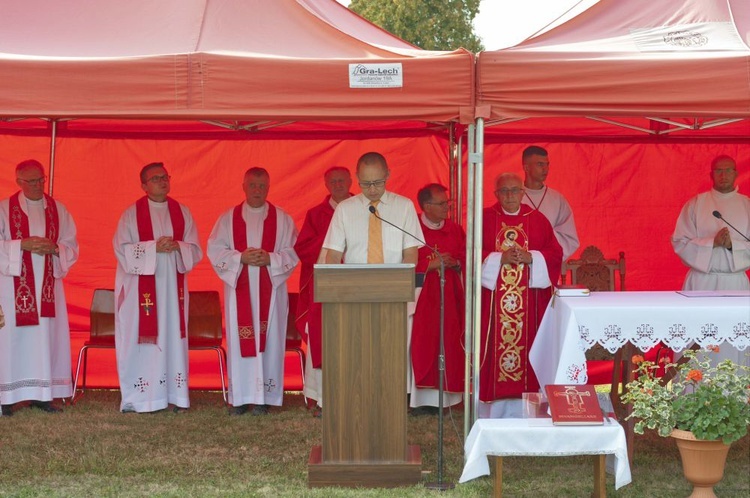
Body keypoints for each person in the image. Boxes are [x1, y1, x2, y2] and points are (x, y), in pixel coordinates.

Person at [208, 167, 298, 416]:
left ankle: (263, 398)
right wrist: (240, 258)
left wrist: (270, 259)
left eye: (262, 186)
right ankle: (240, 398)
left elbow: (293, 251)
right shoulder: (228, 219)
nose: (257, 190)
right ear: (244, 186)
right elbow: (215, 250)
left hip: (272, 294)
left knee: (269, 341)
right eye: (253, 185)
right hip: (240, 293)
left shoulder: (283, 220)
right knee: (241, 342)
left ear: (268, 188)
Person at [113, 162, 202, 414]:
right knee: (141, 340)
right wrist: (154, 247)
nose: (162, 181)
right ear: (143, 185)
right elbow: (121, 250)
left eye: (165, 177)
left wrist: (178, 246)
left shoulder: (182, 211)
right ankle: (140, 398)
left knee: (172, 337)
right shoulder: (131, 214)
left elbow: (195, 250)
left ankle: (175, 394)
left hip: (173, 293)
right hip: (140, 294)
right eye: (155, 178)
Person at [480, 173, 562, 418]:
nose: (509, 196)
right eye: (503, 191)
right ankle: (492, 410)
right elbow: (470, 252)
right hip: (495, 307)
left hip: (530, 304)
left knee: (529, 350)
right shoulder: (483, 219)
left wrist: (532, 257)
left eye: (514, 190)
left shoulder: (537, 220)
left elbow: (555, 253)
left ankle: (530, 410)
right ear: (495, 194)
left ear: (523, 192)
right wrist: (498, 258)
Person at [0, 159, 79, 416]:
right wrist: (21, 245)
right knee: (11, 339)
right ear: (19, 182)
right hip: (12, 289)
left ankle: (44, 395)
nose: (37, 185)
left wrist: (56, 249)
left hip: (47, 289)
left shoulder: (59, 209)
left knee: (46, 337)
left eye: (41, 180)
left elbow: (71, 244)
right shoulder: (4, 209)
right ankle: (8, 397)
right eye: (31, 181)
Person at [672, 155, 750, 366]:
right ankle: (692, 393)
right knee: (697, 338)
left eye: (728, 170)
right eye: (718, 170)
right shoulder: (696, 204)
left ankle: (735, 395)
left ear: (736, 173)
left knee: (733, 341)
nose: (723, 175)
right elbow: (679, 242)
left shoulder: (747, 205)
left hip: (736, 284)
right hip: (701, 282)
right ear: (711, 175)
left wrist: (732, 245)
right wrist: (711, 243)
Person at [293, 167, 353, 416]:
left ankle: (354, 396)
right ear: (326, 184)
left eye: (342, 180)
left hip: (355, 288)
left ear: (351, 181)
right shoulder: (316, 214)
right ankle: (321, 399)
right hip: (325, 291)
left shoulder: (365, 209)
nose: (338, 184)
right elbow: (303, 249)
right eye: (333, 181)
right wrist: (334, 241)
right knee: (324, 341)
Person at [409, 183, 465, 414]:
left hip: (451, 296)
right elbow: (403, 260)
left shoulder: (454, 229)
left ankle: (447, 400)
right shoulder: (411, 228)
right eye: (442, 204)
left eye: (447, 203)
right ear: (426, 206)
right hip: (421, 298)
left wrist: (457, 262)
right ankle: (420, 400)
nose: (446, 208)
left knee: (450, 342)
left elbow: (467, 254)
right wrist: (429, 264)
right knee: (422, 345)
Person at [323, 152, 422, 264]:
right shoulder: (344, 209)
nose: (372, 189)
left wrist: (401, 280)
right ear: (357, 177)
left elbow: (411, 253)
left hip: (393, 279)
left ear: (387, 174)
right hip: (354, 279)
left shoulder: (405, 206)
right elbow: (334, 255)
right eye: (365, 183)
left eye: (378, 182)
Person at [520, 146, 579, 261]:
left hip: (546, 267)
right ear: (526, 168)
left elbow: (570, 239)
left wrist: (544, 251)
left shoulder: (557, 200)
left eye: (547, 164)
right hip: (518, 266)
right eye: (540, 164)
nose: (545, 169)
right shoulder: (513, 197)